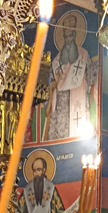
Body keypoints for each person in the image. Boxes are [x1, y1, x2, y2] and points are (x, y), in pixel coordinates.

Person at [44, 11, 94, 141]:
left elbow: (90, 80)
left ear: (75, 35)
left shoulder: (83, 56)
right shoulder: (56, 60)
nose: (68, 40)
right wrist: (53, 84)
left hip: (78, 101)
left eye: (70, 36)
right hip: (61, 107)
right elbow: (50, 82)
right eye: (66, 37)